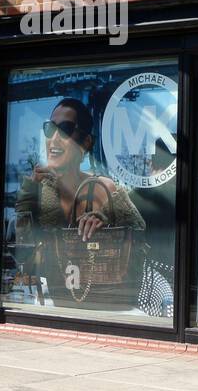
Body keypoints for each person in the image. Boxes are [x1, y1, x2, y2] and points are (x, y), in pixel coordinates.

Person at [14, 98, 145, 307]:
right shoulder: (38, 189)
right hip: (54, 303)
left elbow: (140, 232)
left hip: (105, 303)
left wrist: (105, 219)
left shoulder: (103, 188)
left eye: (65, 129)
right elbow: (20, 246)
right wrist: (29, 191)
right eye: (50, 129)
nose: (54, 139)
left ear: (86, 143)